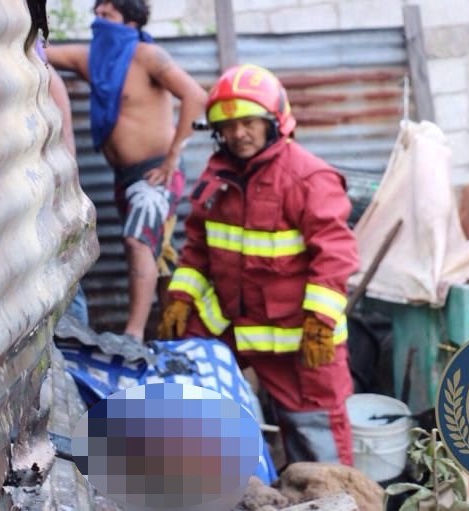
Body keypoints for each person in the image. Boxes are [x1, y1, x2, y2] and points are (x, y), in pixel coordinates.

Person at [158, 63, 360, 466]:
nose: (238, 134)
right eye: (229, 126)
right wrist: (180, 299)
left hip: (300, 337)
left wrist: (320, 322)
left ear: (274, 122)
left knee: (316, 434)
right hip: (232, 326)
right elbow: (198, 247)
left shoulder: (308, 176)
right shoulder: (218, 177)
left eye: (249, 122)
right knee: (184, 386)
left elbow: (335, 254)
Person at [45, 0, 208, 342]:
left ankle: (133, 334)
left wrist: (173, 158)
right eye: (97, 16)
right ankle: (174, 336)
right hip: (125, 178)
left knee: (137, 243)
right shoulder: (94, 60)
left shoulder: (147, 56)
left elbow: (195, 95)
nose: (99, 24)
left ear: (130, 22)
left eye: (109, 17)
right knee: (156, 254)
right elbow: (40, 52)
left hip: (155, 175)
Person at [36, 37, 91, 326]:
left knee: (67, 277)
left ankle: (77, 346)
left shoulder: (47, 78)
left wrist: (66, 197)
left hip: (53, 195)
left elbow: (66, 142)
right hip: (37, 196)